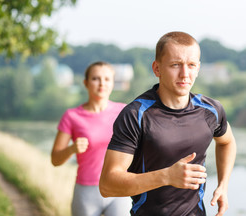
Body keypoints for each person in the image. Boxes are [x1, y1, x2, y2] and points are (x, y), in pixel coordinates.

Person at [99, 32, 237, 216]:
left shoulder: (211, 110)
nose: (184, 74)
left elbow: (227, 142)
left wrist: (223, 185)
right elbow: (107, 185)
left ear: (198, 68)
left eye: (191, 65)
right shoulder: (135, 115)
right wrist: (166, 176)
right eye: (175, 65)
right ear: (157, 68)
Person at [51, 61, 131, 216]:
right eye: (95, 78)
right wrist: (72, 149)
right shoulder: (72, 116)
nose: (102, 83)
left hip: (119, 187)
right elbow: (55, 159)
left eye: (107, 79)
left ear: (113, 83)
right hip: (87, 190)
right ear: (85, 83)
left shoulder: (124, 111)